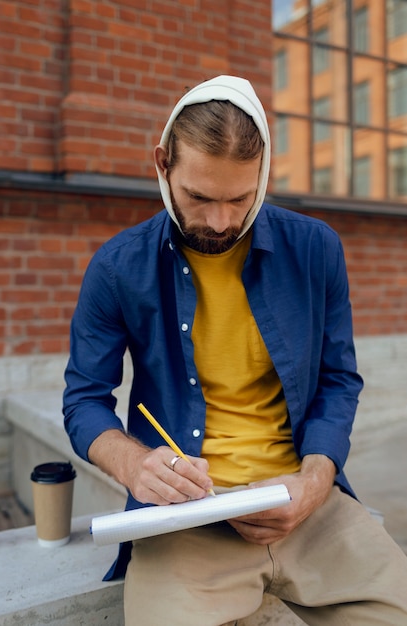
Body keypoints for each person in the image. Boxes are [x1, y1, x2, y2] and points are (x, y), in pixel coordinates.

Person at [63, 75, 407, 626]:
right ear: (163, 164)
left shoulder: (316, 249)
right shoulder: (116, 267)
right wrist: (134, 464)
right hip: (184, 521)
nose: (220, 222)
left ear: (264, 174)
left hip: (307, 502)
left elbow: (340, 381)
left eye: (240, 199)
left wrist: (315, 482)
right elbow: (83, 400)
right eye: (199, 197)